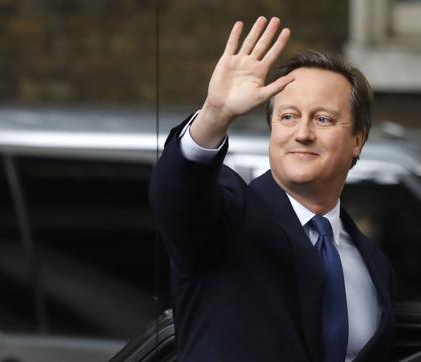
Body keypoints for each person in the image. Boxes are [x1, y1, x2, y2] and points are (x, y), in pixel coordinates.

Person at [149, 17, 395, 362]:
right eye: (288, 117)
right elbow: (178, 194)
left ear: (357, 140)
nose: (303, 133)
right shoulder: (228, 219)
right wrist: (214, 116)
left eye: (322, 119)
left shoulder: (373, 264)